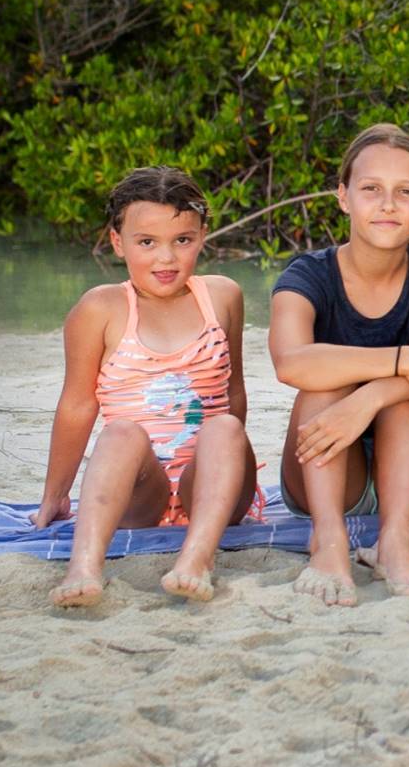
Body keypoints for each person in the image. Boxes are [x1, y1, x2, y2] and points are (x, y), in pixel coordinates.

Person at [34, 167, 262, 606]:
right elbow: (78, 407)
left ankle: (197, 558)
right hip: (140, 492)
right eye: (147, 243)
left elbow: (234, 392)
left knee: (226, 428)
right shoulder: (100, 308)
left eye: (182, 240)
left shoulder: (222, 296)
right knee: (120, 433)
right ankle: (84, 567)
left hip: (211, 490)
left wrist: (228, 459)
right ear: (118, 242)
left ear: (202, 236)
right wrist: (55, 496)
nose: (167, 258)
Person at [269, 123, 409, 606]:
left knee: (408, 398)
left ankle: (397, 542)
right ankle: (329, 541)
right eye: (371, 189)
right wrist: (400, 360)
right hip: (327, 469)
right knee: (320, 386)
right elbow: (290, 362)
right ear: (343, 196)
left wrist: (371, 397)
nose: (388, 204)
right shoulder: (308, 275)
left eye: (405, 192)